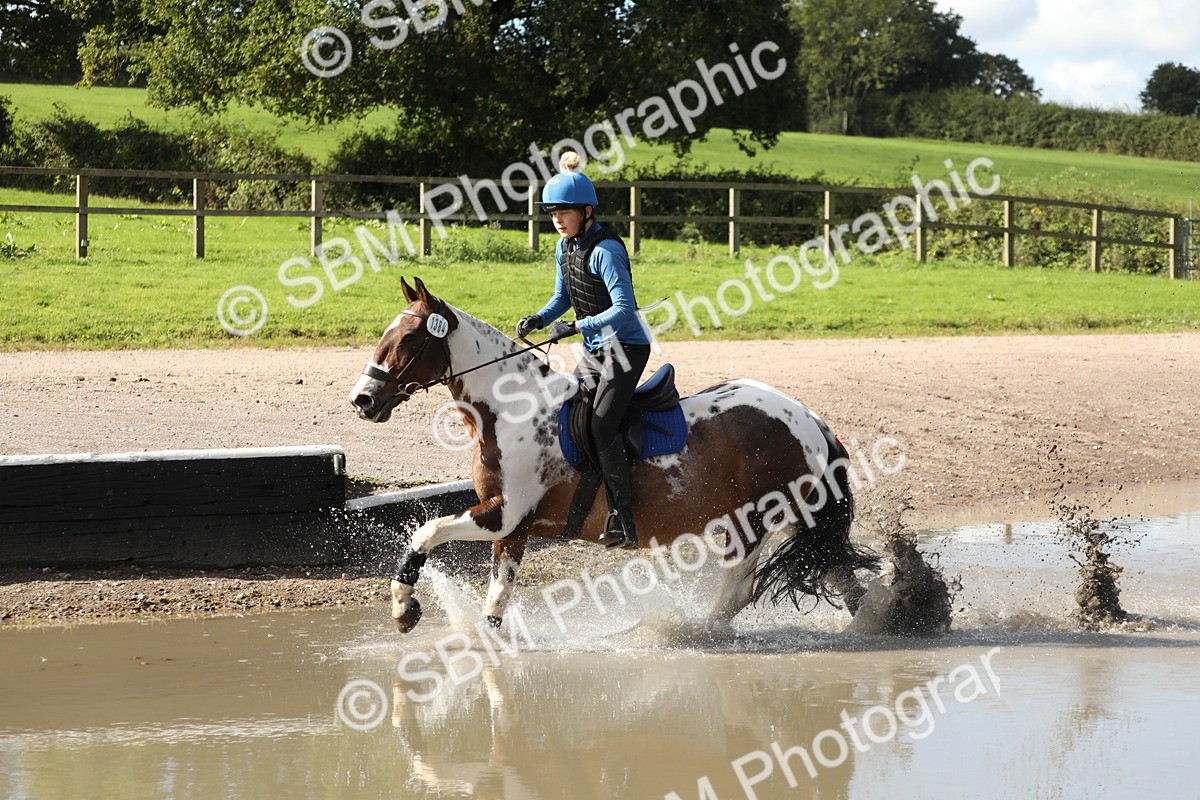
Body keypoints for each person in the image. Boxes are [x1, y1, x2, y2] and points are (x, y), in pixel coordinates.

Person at [517, 151, 651, 550]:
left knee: (599, 425)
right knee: (572, 416)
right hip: (595, 351)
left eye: (564, 211)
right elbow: (564, 297)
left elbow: (624, 310)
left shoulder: (606, 249)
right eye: (552, 212)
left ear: (587, 211)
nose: (556, 218)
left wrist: (574, 326)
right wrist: (540, 319)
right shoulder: (565, 248)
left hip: (625, 347)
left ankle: (624, 519)